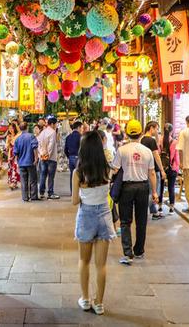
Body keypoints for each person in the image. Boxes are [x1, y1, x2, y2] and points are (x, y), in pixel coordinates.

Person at [72, 131, 116, 316]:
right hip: (104, 216)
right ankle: (99, 303)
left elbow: (75, 201)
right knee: (102, 265)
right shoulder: (107, 169)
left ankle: (85, 299)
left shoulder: (78, 172)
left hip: (86, 216)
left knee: (84, 261)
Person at [113, 119, 157, 265]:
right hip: (143, 188)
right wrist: (155, 192)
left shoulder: (122, 150)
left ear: (127, 133)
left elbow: (115, 169)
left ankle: (127, 253)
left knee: (125, 221)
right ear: (140, 133)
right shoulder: (147, 151)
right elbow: (151, 173)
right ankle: (139, 250)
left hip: (126, 188)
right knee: (141, 220)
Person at [141, 122, 167, 220]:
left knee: (150, 191)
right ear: (151, 128)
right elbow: (156, 155)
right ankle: (144, 211)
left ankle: (154, 212)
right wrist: (162, 170)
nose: (157, 131)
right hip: (153, 169)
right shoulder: (150, 140)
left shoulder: (142, 139)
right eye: (156, 129)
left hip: (145, 169)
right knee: (154, 192)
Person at [13, 122, 40, 202]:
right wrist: (36, 158)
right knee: (33, 180)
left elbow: (16, 153)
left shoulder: (17, 139)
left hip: (21, 163)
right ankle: (33, 196)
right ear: (27, 127)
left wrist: (17, 163)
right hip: (30, 162)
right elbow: (34, 147)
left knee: (23, 181)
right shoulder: (31, 136)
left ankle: (25, 197)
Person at [37, 117, 60, 199]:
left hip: (42, 157)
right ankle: (50, 193)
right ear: (53, 124)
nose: (56, 126)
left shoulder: (43, 132)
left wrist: (41, 154)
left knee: (43, 175)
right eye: (56, 124)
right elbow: (51, 145)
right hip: (51, 158)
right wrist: (48, 155)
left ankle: (41, 192)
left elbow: (38, 143)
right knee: (51, 176)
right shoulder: (53, 132)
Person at [160, 123, 180, 213]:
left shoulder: (159, 140)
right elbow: (176, 157)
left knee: (160, 187)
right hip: (172, 168)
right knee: (171, 188)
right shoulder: (174, 142)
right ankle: (171, 207)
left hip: (161, 167)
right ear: (171, 131)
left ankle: (159, 206)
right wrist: (177, 167)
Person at [65, 121, 82, 194]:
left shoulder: (68, 137)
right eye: (81, 128)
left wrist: (69, 156)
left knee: (72, 175)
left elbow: (65, 149)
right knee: (79, 175)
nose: (82, 129)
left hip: (71, 157)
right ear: (78, 127)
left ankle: (73, 192)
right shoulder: (80, 136)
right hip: (78, 158)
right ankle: (78, 192)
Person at [6, 123, 21, 190]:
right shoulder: (8, 136)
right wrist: (8, 142)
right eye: (9, 128)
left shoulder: (18, 135)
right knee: (10, 167)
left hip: (16, 154)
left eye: (12, 128)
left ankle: (14, 183)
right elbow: (6, 148)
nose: (11, 130)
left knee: (15, 167)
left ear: (15, 128)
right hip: (10, 153)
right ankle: (11, 182)